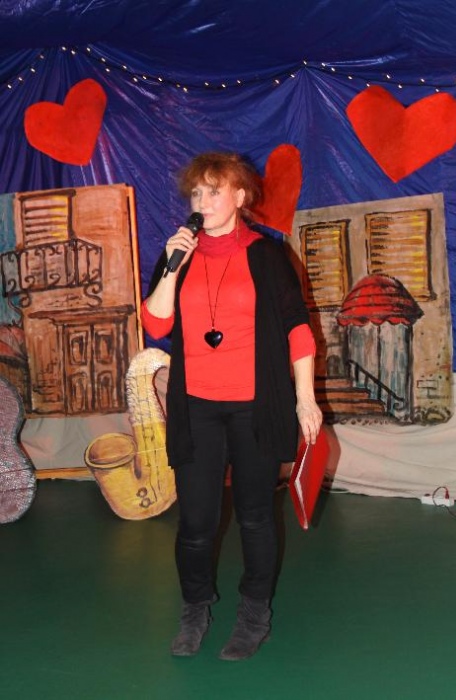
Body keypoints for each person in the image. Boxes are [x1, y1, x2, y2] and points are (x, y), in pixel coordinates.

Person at [141, 152, 322, 661]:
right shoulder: (179, 252)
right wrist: (172, 267)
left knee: (256, 516)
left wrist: (305, 398)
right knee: (196, 523)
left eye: (214, 191)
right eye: (196, 193)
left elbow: (298, 328)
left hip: (254, 406)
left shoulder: (267, 255)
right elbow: (155, 325)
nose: (202, 202)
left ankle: (254, 615)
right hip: (196, 407)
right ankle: (194, 609)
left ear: (240, 196)